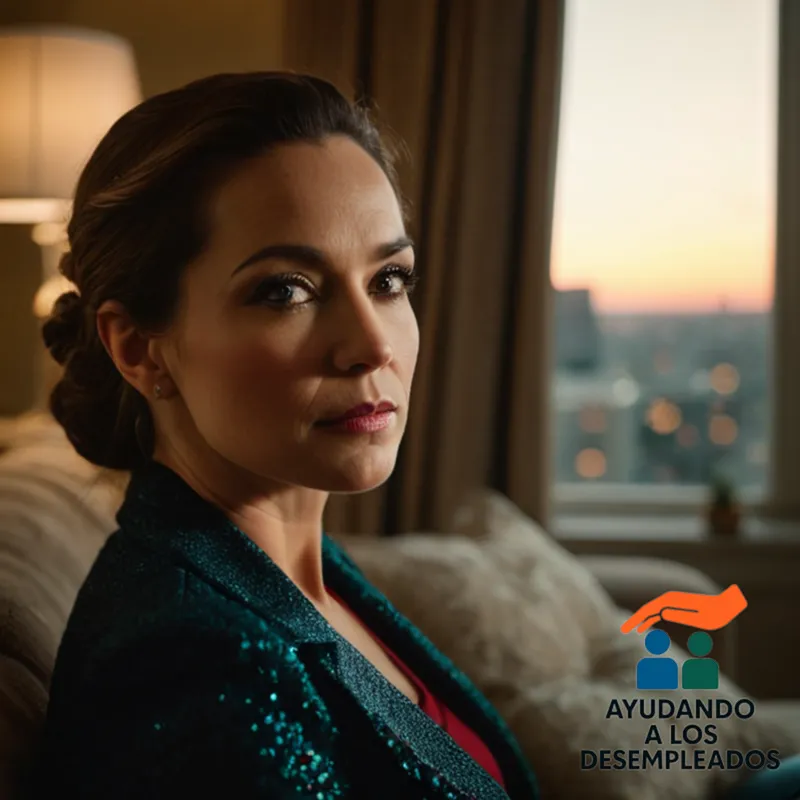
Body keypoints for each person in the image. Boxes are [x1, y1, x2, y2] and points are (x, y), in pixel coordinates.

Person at [30, 72, 539, 799]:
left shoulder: (306, 575)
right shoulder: (195, 666)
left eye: (389, 279)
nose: (370, 345)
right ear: (139, 348)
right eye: (286, 290)